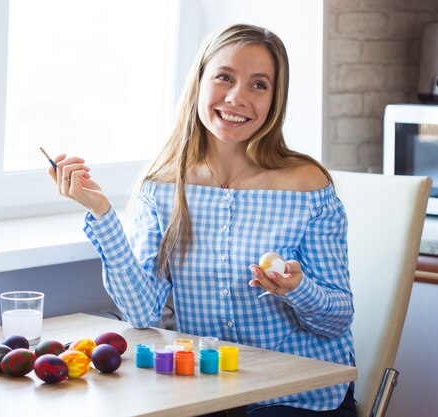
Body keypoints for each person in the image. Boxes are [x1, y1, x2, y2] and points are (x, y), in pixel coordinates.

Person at [47, 23, 356, 417]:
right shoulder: (163, 184)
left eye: (258, 85)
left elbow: (337, 319)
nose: (236, 97)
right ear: (199, 83)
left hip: (298, 398)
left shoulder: (306, 185)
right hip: (206, 395)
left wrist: (297, 289)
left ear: (275, 99)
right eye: (224, 77)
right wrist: (101, 212)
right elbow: (142, 312)